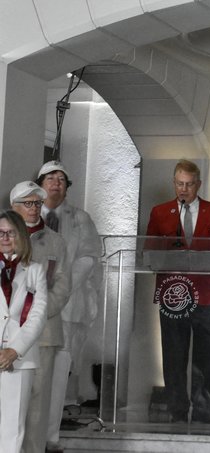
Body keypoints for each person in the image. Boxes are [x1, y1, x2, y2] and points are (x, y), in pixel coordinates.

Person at [145, 159, 210, 423]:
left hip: (206, 293)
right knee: (174, 354)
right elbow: (149, 252)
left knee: (206, 355)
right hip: (173, 294)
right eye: (179, 184)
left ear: (199, 184)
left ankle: (204, 410)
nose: (183, 189)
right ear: (174, 183)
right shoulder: (160, 212)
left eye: (189, 184)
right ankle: (177, 409)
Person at [35, 161, 102, 452]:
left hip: (67, 305)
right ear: (40, 184)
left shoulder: (80, 219)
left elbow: (88, 258)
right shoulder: (29, 216)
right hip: (31, 306)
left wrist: (60, 289)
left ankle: (50, 435)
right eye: (50, 178)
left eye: (62, 179)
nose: (56, 183)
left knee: (59, 369)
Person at [10, 182, 70, 453]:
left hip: (44, 332)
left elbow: (63, 285)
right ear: (13, 207)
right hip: (8, 332)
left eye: (37, 203)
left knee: (37, 402)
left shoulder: (56, 241)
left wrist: (36, 313)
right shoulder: (5, 237)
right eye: (27, 203)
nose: (34, 208)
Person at [0, 210, 48, 453]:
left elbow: (38, 315)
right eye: (1, 233)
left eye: (11, 232)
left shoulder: (35, 270)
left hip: (20, 359)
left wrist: (14, 350)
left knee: (13, 426)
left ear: (21, 235)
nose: (5, 238)